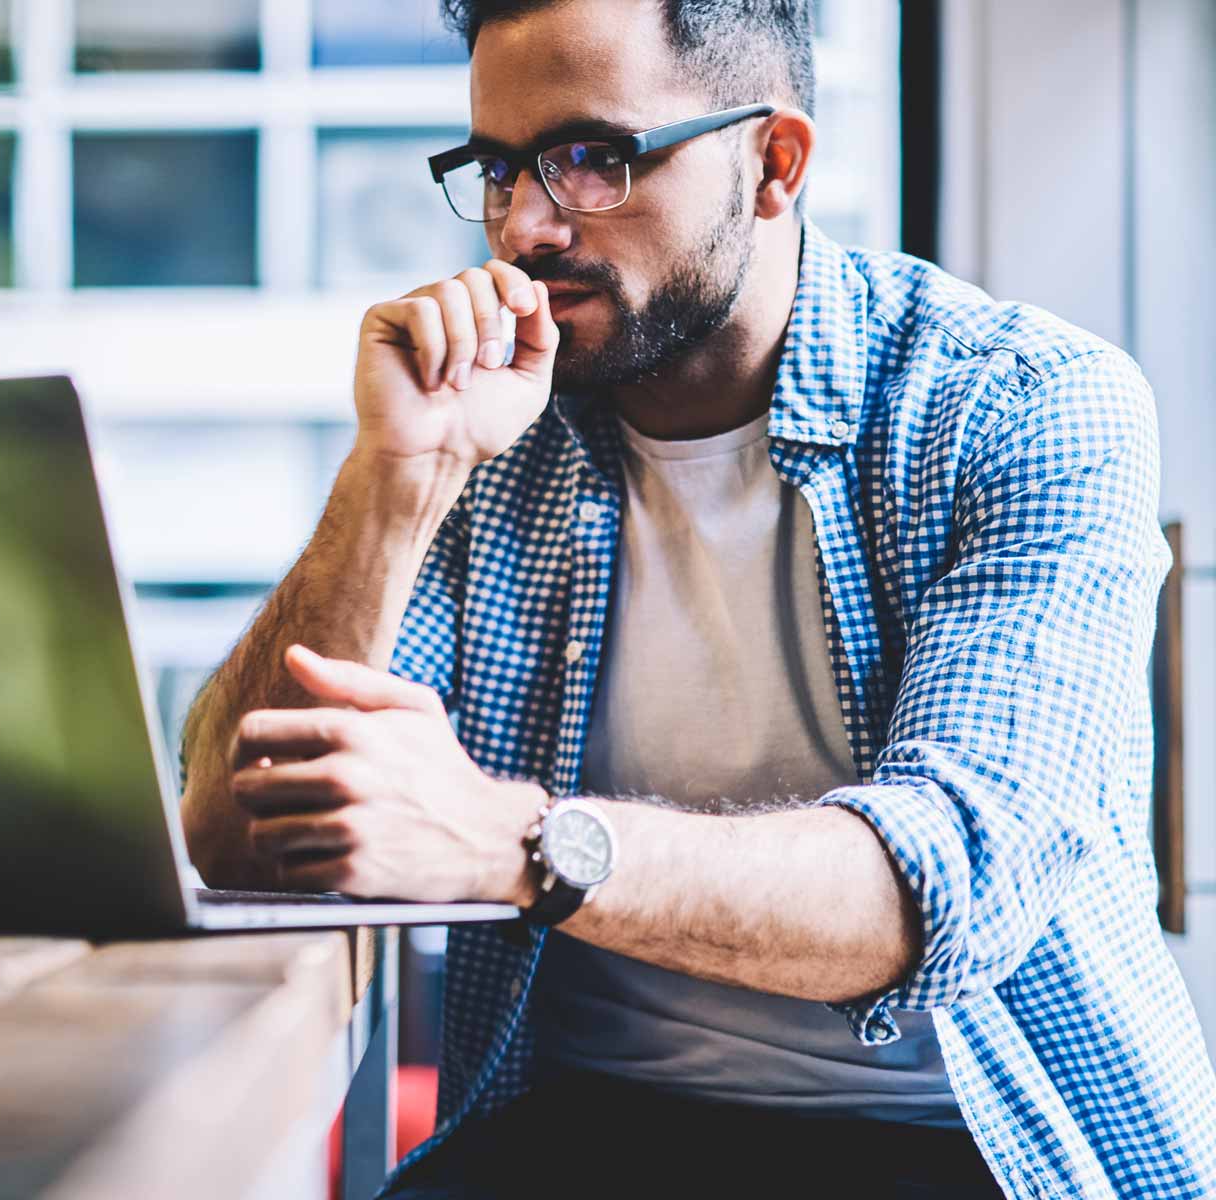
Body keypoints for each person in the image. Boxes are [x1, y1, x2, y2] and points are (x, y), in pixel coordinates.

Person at [179, 1, 1216, 1196]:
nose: (523, 227)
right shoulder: (495, 426)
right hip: (584, 1124)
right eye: (499, 168)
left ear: (773, 164)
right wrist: (393, 477)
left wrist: (514, 844)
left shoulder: (1019, 405)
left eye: (591, 161)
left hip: (970, 1141)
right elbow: (232, 833)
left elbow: (935, 895)